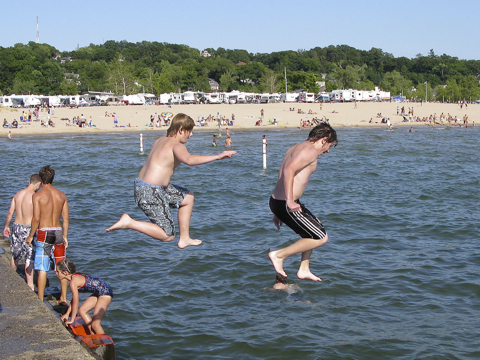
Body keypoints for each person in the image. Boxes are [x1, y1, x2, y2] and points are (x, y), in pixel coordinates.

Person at [106, 113, 236, 248]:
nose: (191, 135)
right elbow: (190, 160)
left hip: (146, 187)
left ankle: (185, 238)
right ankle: (129, 222)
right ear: (181, 130)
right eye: (189, 131)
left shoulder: (161, 140)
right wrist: (218, 156)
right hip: (150, 191)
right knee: (167, 235)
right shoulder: (177, 146)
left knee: (187, 197)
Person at [268, 123, 337, 282]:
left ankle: (304, 268)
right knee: (321, 237)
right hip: (286, 202)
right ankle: (278, 255)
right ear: (323, 140)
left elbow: (282, 174)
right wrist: (289, 202)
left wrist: (278, 210)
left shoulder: (296, 147)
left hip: (279, 201)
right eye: (329, 146)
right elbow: (288, 171)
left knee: (315, 226)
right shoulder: (310, 151)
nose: (327, 151)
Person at [26, 165, 69, 304]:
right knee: (61, 266)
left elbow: (36, 219)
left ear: (41, 179)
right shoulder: (61, 195)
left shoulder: (37, 196)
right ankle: (63, 298)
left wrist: (30, 235)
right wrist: (65, 236)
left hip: (44, 233)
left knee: (43, 268)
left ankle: (40, 300)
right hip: (58, 232)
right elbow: (66, 219)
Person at [3, 174, 42, 290]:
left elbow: (10, 212)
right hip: (28, 228)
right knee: (29, 257)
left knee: (15, 254)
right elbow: (37, 217)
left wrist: (6, 226)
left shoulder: (17, 195)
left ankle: (13, 279)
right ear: (38, 183)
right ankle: (30, 285)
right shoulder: (34, 197)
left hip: (16, 226)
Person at [56, 259, 112, 335]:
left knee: (95, 325)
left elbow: (76, 302)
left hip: (105, 292)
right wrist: (67, 313)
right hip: (99, 291)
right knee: (82, 310)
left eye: (57, 271)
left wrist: (72, 320)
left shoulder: (73, 282)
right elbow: (73, 300)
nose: (56, 273)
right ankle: (93, 335)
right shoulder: (74, 278)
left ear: (65, 273)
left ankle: (105, 343)